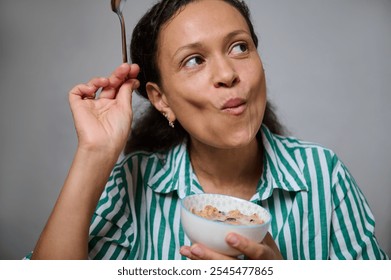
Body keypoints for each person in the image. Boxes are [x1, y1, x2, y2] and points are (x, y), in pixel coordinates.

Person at [29, 0, 388, 260]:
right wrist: (95, 151)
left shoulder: (324, 175)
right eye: (194, 60)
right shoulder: (133, 182)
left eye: (239, 47)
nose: (228, 74)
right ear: (161, 99)